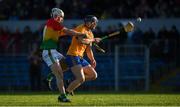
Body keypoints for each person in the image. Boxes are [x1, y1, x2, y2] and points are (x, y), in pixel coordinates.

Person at [41, 8, 98, 102]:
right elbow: (68, 31)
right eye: (60, 17)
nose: (61, 19)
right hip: (48, 51)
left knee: (66, 63)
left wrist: (89, 40)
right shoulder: (52, 22)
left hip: (54, 51)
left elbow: (65, 32)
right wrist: (83, 35)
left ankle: (49, 77)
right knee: (59, 75)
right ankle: (62, 96)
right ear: (55, 16)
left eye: (61, 17)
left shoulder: (55, 25)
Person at [65, 15, 100, 95]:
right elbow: (82, 41)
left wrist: (92, 59)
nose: (95, 25)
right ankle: (64, 95)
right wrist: (94, 40)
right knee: (81, 79)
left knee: (93, 75)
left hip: (80, 57)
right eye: (94, 23)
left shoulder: (90, 34)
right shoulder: (81, 28)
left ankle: (71, 81)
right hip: (73, 55)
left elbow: (88, 49)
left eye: (95, 23)